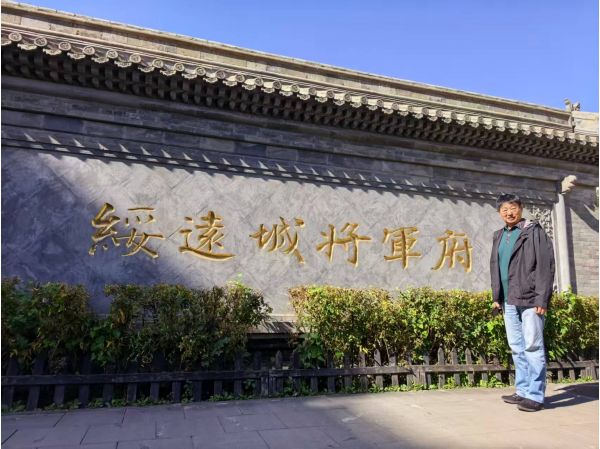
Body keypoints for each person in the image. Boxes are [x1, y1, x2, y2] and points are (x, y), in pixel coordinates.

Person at [490, 193, 555, 412]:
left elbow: (545, 266)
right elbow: (496, 267)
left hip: (530, 299)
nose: (509, 213)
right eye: (504, 209)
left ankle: (535, 395)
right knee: (517, 348)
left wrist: (542, 298)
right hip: (509, 300)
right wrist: (497, 297)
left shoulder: (533, 232)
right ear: (499, 212)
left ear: (521, 208)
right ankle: (523, 390)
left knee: (533, 346)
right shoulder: (499, 235)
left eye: (513, 208)